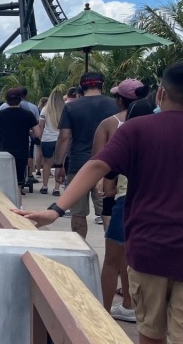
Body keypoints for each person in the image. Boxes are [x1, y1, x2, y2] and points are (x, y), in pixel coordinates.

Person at [17, 61, 183, 344]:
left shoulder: (138, 130)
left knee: (151, 330)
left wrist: (55, 210)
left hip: (148, 248)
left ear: (161, 94)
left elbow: (96, 165)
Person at [91, 79, 148, 321]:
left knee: (113, 260)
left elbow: (101, 164)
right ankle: (129, 304)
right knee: (133, 258)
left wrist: (105, 185)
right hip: (152, 203)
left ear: (120, 100)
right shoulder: (162, 127)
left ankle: (102, 314)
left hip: (124, 200)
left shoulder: (114, 126)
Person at [53, 72, 119, 237]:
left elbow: (63, 137)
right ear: (103, 85)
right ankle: (112, 247)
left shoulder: (71, 107)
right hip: (107, 165)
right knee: (107, 210)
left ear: (81, 87)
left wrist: (59, 164)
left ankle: (81, 246)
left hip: (78, 163)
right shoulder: (115, 105)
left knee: (78, 212)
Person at [0, 89, 41, 196]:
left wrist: (2, 131)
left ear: (6, 100)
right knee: (18, 185)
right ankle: (18, 203)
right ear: (21, 99)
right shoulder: (28, 114)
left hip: (5, 151)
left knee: (5, 183)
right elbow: (37, 133)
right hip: (22, 152)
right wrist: (27, 132)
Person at [37, 90, 64, 195]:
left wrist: (40, 136)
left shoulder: (45, 109)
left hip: (47, 139)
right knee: (60, 164)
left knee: (47, 163)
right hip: (61, 139)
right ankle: (56, 189)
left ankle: (44, 186)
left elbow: (41, 126)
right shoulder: (65, 109)